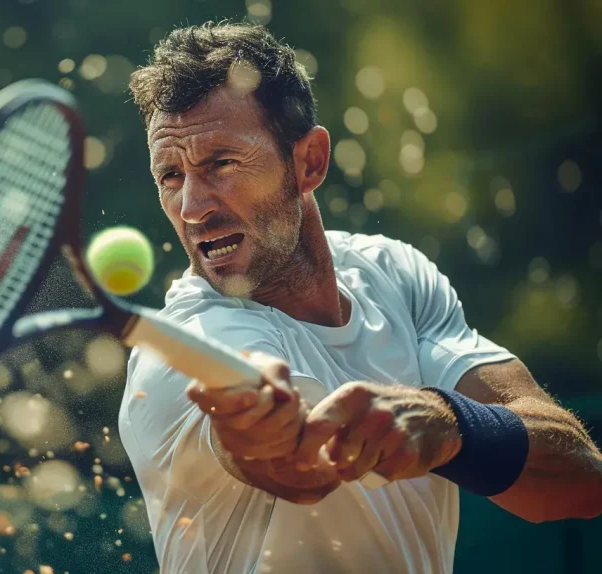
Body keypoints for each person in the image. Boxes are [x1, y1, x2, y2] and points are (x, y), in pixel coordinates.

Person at [117, 20, 602, 573]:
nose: (192, 207)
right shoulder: (179, 348)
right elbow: (300, 474)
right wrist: (257, 436)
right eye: (171, 175)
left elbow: (580, 481)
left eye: (221, 164)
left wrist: (451, 425)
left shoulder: (393, 272)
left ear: (310, 163)